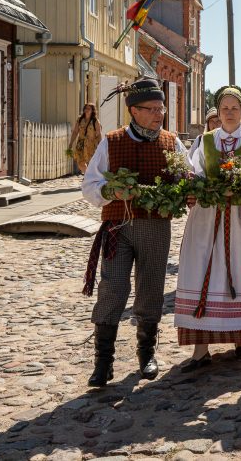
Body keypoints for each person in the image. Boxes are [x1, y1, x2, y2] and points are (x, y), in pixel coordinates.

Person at [80, 79, 187, 386]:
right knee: (112, 287)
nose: (159, 114)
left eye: (161, 108)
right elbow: (90, 186)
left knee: (151, 286)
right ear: (133, 110)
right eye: (152, 109)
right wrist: (113, 192)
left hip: (155, 224)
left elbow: (187, 178)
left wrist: (179, 194)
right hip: (118, 226)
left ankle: (146, 354)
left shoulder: (172, 142)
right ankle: (104, 362)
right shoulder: (111, 141)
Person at [174, 86, 241, 372]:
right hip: (208, 219)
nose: (229, 113)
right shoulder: (206, 141)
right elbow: (194, 175)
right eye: (224, 109)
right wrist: (196, 188)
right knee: (202, 272)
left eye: (234, 109)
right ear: (218, 113)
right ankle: (200, 349)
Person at [68, 102, 103, 174]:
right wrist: (71, 143)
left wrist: (101, 145)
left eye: (89, 109)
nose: (86, 110)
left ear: (92, 110)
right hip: (81, 143)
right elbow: (75, 132)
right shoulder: (80, 119)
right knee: (80, 162)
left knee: (91, 162)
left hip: (91, 144)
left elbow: (99, 134)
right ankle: (87, 175)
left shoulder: (95, 121)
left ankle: (89, 177)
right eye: (85, 108)